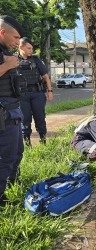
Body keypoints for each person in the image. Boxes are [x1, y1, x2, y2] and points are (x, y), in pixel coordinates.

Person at [0, 15, 24, 206]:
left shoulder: (5, 51)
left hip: (13, 113)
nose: (18, 42)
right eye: (16, 38)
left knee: (16, 152)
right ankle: (1, 198)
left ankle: (11, 184)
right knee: (5, 157)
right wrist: (7, 65)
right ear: (2, 32)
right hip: (4, 114)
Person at [17, 37, 53, 146]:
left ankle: (43, 142)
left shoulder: (36, 60)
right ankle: (27, 145)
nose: (31, 51)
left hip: (37, 93)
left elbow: (46, 76)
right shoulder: (13, 60)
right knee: (25, 120)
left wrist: (50, 91)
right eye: (28, 48)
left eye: (32, 48)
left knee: (40, 117)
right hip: (22, 95)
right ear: (21, 47)